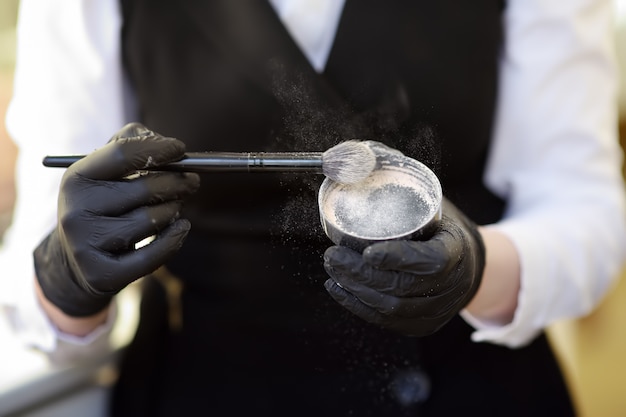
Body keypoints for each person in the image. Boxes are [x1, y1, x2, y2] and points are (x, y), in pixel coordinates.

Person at [2, 0, 626, 415]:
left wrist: (480, 267)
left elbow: (584, 205)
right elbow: (40, 284)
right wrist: (65, 281)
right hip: (209, 391)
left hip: (471, 391)